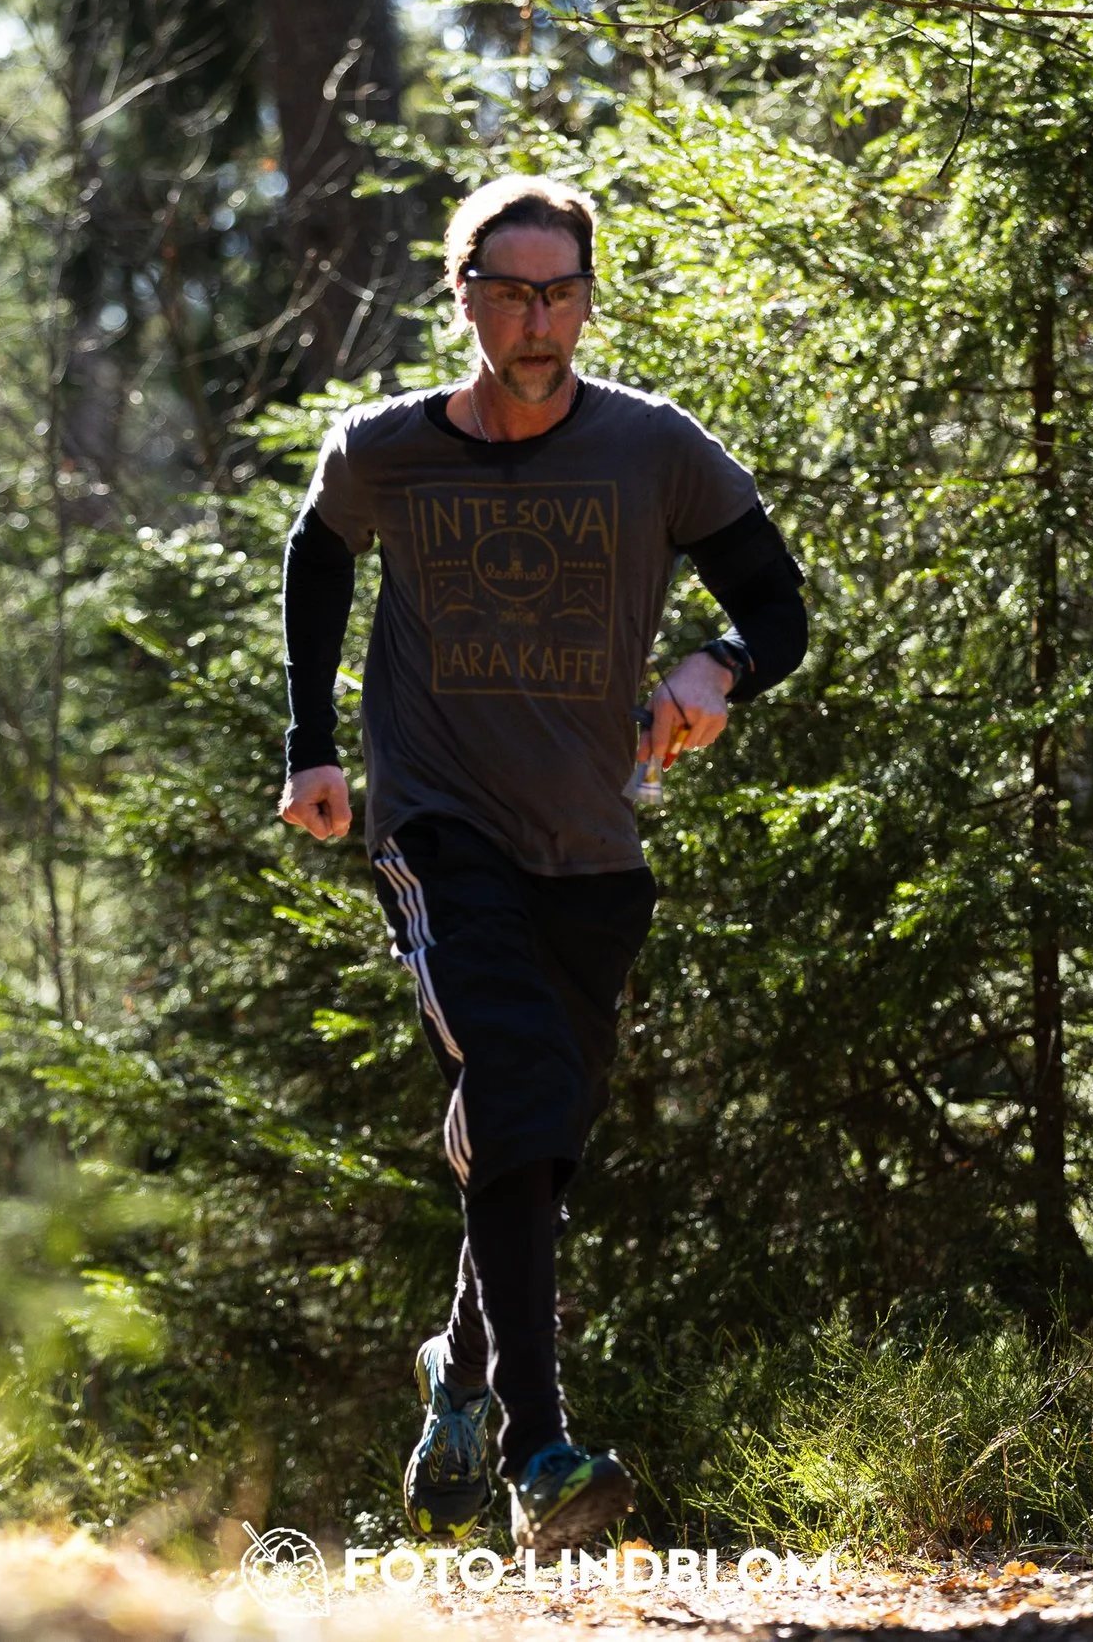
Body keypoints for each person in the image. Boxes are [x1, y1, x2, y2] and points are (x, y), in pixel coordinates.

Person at [277, 176, 809, 1553]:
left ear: (585, 298)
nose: (539, 320)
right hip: (438, 823)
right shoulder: (388, 448)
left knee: (539, 1138)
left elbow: (778, 601)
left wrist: (720, 663)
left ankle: (458, 1372)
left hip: (591, 843)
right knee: (513, 1079)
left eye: (562, 292)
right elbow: (317, 558)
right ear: (464, 296)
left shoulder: (652, 447)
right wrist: (311, 745)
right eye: (512, 292)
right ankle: (540, 1451)